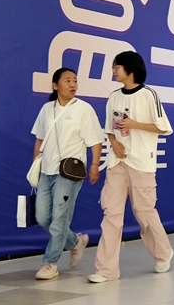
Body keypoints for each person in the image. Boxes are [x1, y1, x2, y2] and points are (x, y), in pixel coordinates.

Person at [89, 51, 174, 283]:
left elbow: (163, 127)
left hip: (141, 162)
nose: (113, 71)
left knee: (144, 211)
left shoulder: (148, 95)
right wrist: (115, 144)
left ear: (130, 68)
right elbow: (109, 129)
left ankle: (163, 253)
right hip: (117, 162)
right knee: (111, 214)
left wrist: (135, 124)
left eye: (117, 66)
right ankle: (106, 270)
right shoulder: (114, 96)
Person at [31, 68, 104, 280]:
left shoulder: (84, 109)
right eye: (67, 81)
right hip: (46, 170)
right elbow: (39, 139)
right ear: (55, 85)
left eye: (75, 81)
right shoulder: (47, 109)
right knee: (42, 217)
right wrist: (36, 165)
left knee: (59, 219)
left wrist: (95, 164)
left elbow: (95, 140)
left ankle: (50, 263)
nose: (73, 84)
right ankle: (75, 241)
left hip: (69, 172)